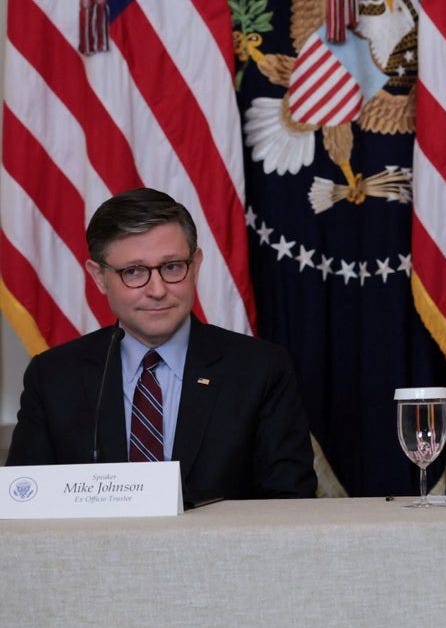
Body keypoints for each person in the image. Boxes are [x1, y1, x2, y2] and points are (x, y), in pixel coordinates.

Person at [7, 188, 316, 501]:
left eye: (171, 267)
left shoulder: (260, 369)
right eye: (133, 272)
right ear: (99, 277)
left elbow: (289, 502)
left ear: (195, 265)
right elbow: (24, 502)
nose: (157, 290)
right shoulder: (53, 377)